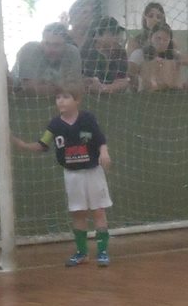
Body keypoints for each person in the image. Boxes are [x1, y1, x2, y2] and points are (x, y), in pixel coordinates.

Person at [13, 81, 113, 266]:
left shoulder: (87, 119)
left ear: (77, 100)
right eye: (58, 97)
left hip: (92, 172)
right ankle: (82, 253)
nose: (61, 101)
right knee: (78, 213)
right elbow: (43, 144)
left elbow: (100, 139)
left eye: (66, 97)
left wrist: (104, 153)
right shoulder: (54, 124)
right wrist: (23, 145)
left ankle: (102, 252)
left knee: (98, 211)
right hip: (72, 175)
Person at [13, 22, 84, 95]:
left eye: (57, 45)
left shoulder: (72, 52)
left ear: (66, 45)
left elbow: (75, 87)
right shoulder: (29, 50)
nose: (51, 49)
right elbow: (29, 88)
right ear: (42, 42)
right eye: (47, 44)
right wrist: (61, 87)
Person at [82, 16, 131, 94]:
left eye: (117, 33)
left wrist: (105, 88)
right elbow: (88, 82)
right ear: (97, 35)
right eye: (113, 33)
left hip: (113, 95)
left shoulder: (120, 52)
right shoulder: (87, 52)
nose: (117, 37)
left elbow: (123, 81)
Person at [135, 22, 182, 91]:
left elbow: (176, 84)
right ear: (150, 38)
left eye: (165, 40)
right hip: (146, 95)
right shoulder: (139, 53)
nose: (161, 42)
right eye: (158, 38)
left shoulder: (174, 56)